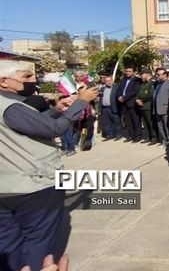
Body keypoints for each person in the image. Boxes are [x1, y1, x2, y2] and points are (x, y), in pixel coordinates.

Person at [0, 60, 98, 270]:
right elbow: (53, 129)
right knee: (39, 242)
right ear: (3, 81)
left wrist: (56, 110)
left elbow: (26, 126)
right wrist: (81, 102)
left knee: (8, 244)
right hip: (33, 186)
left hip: (6, 187)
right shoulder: (10, 106)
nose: (33, 80)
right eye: (25, 76)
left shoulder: (10, 105)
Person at [116, 67, 143, 142]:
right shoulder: (123, 79)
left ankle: (138, 135)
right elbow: (119, 89)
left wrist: (124, 97)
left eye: (129, 71)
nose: (127, 73)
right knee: (127, 121)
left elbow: (135, 91)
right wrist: (119, 96)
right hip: (123, 103)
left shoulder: (137, 80)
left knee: (135, 120)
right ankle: (131, 135)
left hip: (132, 102)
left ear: (133, 72)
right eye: (126, 71)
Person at [153, 68, 169, 147]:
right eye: (157, 74)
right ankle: (164, 140)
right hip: (157, 108)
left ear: (165, 75)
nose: (157, 76)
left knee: (167, 126)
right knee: (160, 125)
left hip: (165, 108)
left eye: (159, 74)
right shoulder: (158, 84)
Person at [99, 76, 122, 141]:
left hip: (113, 107)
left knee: (117, 122)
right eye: (107, 81)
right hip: (104, 108)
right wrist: (100, 108)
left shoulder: (116, 88)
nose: (109, 82)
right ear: (105, 82)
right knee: (107, 123)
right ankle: (109, 135)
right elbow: (100, 99)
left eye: (110, 80)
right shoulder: (102, 89)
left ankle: (118, 134)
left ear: (112, 81)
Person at [136, 69, 156, 143]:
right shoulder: (143, 84)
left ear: (147, 74)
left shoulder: (152, 83)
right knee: (145, 122)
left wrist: (142, 100)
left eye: (142, 74)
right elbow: (139, 93)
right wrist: (137, 99)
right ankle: (147, 136)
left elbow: (151, 94)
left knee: (150, 122)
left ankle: (154, 137)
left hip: (148, 105)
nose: (141, 76)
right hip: (142, 106)